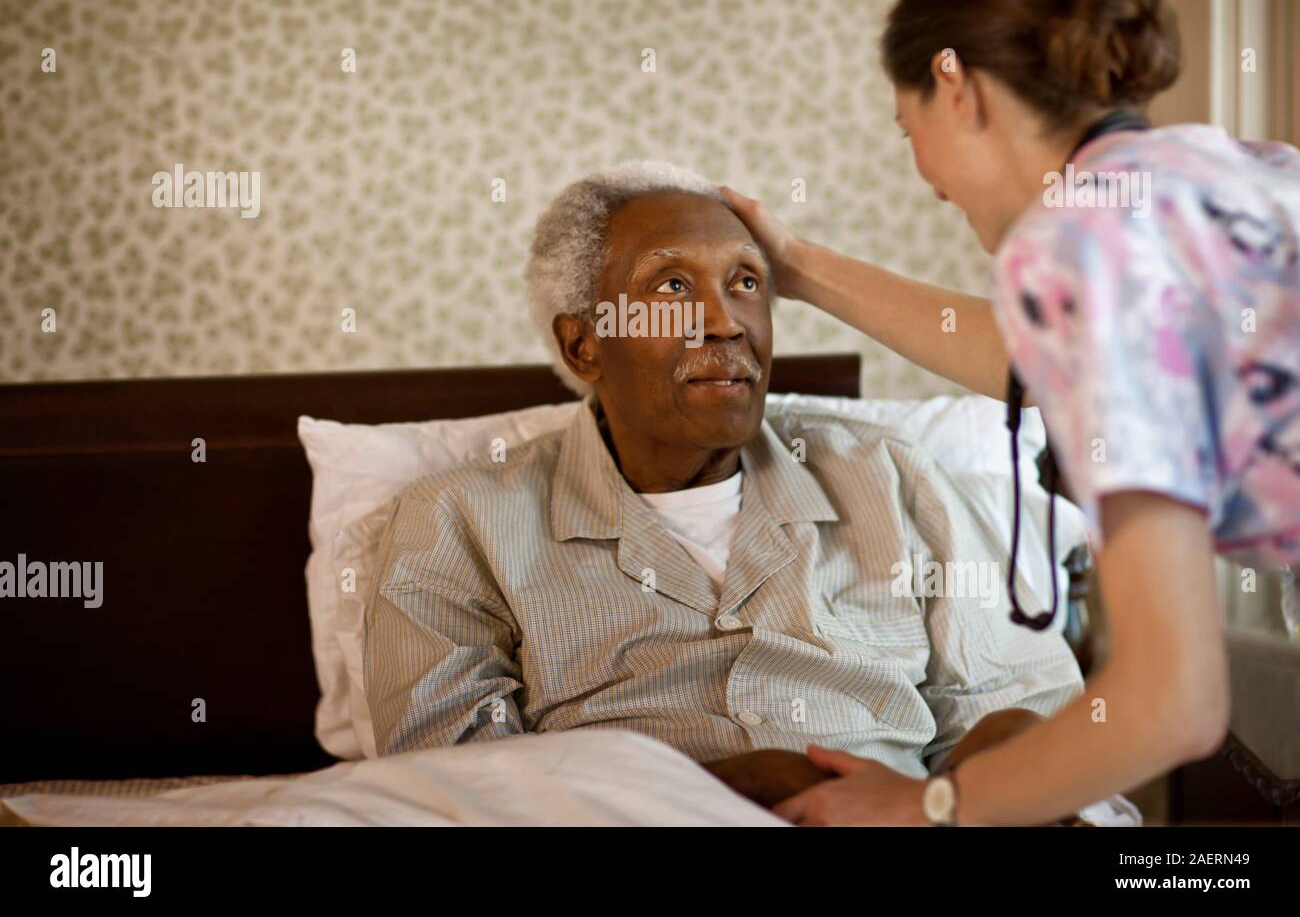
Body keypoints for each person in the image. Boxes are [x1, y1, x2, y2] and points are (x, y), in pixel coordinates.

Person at [719, 0, 1300, 825]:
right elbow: (1058, 361)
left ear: (958, 87)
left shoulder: (1073, 250)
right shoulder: (1222, 173)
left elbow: (1172, 701)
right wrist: (799, 268)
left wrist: (927, 804)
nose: (924, 174)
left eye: (904, 125)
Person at [362, 161, 1137, 823]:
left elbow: (1022, 706)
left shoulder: (888, 473)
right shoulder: (457, 520)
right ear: (584, 342)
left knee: (1020, 741)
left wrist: (939, 798)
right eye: (671, 285)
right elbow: (456, 791)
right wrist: (742, 795)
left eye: (746, 282)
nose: (725, 322)